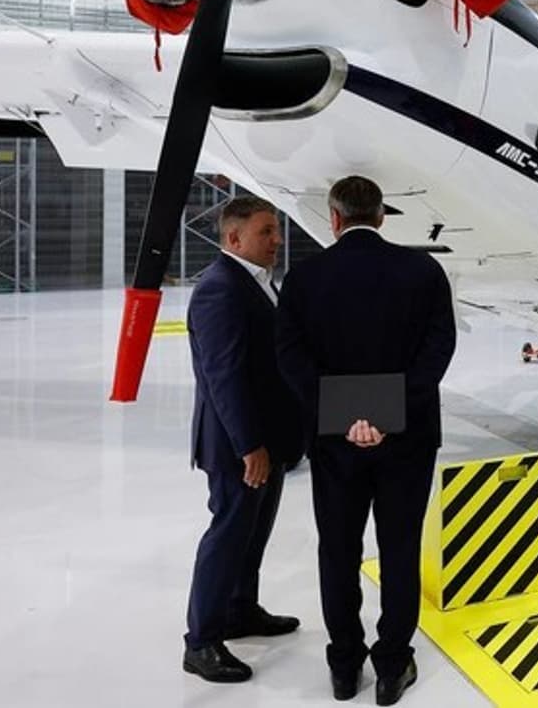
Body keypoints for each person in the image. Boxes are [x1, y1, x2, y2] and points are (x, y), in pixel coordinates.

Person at [277, 175, 458, 705]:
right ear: (381, 216)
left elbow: (290, 356)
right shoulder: (423, 271)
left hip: (334, 444)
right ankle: (392, 667)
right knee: (399, 550)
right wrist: (385, 413)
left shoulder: (304, 277)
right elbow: (438, 350)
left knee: (338, 552)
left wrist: (344, 416)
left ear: (334, 219)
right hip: (408, 438)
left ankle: (343, 666)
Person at [182, 196, 305, 684]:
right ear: (234, 238)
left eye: (276, 230)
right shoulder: (220, 289)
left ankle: (240, 610)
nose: (277, 240)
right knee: (229, 534)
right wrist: (249, 445)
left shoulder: (256, 282)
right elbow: (224, 376)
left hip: (269, 441)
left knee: (253, 533)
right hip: (240, 445)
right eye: (266, 232)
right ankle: (201, 642)